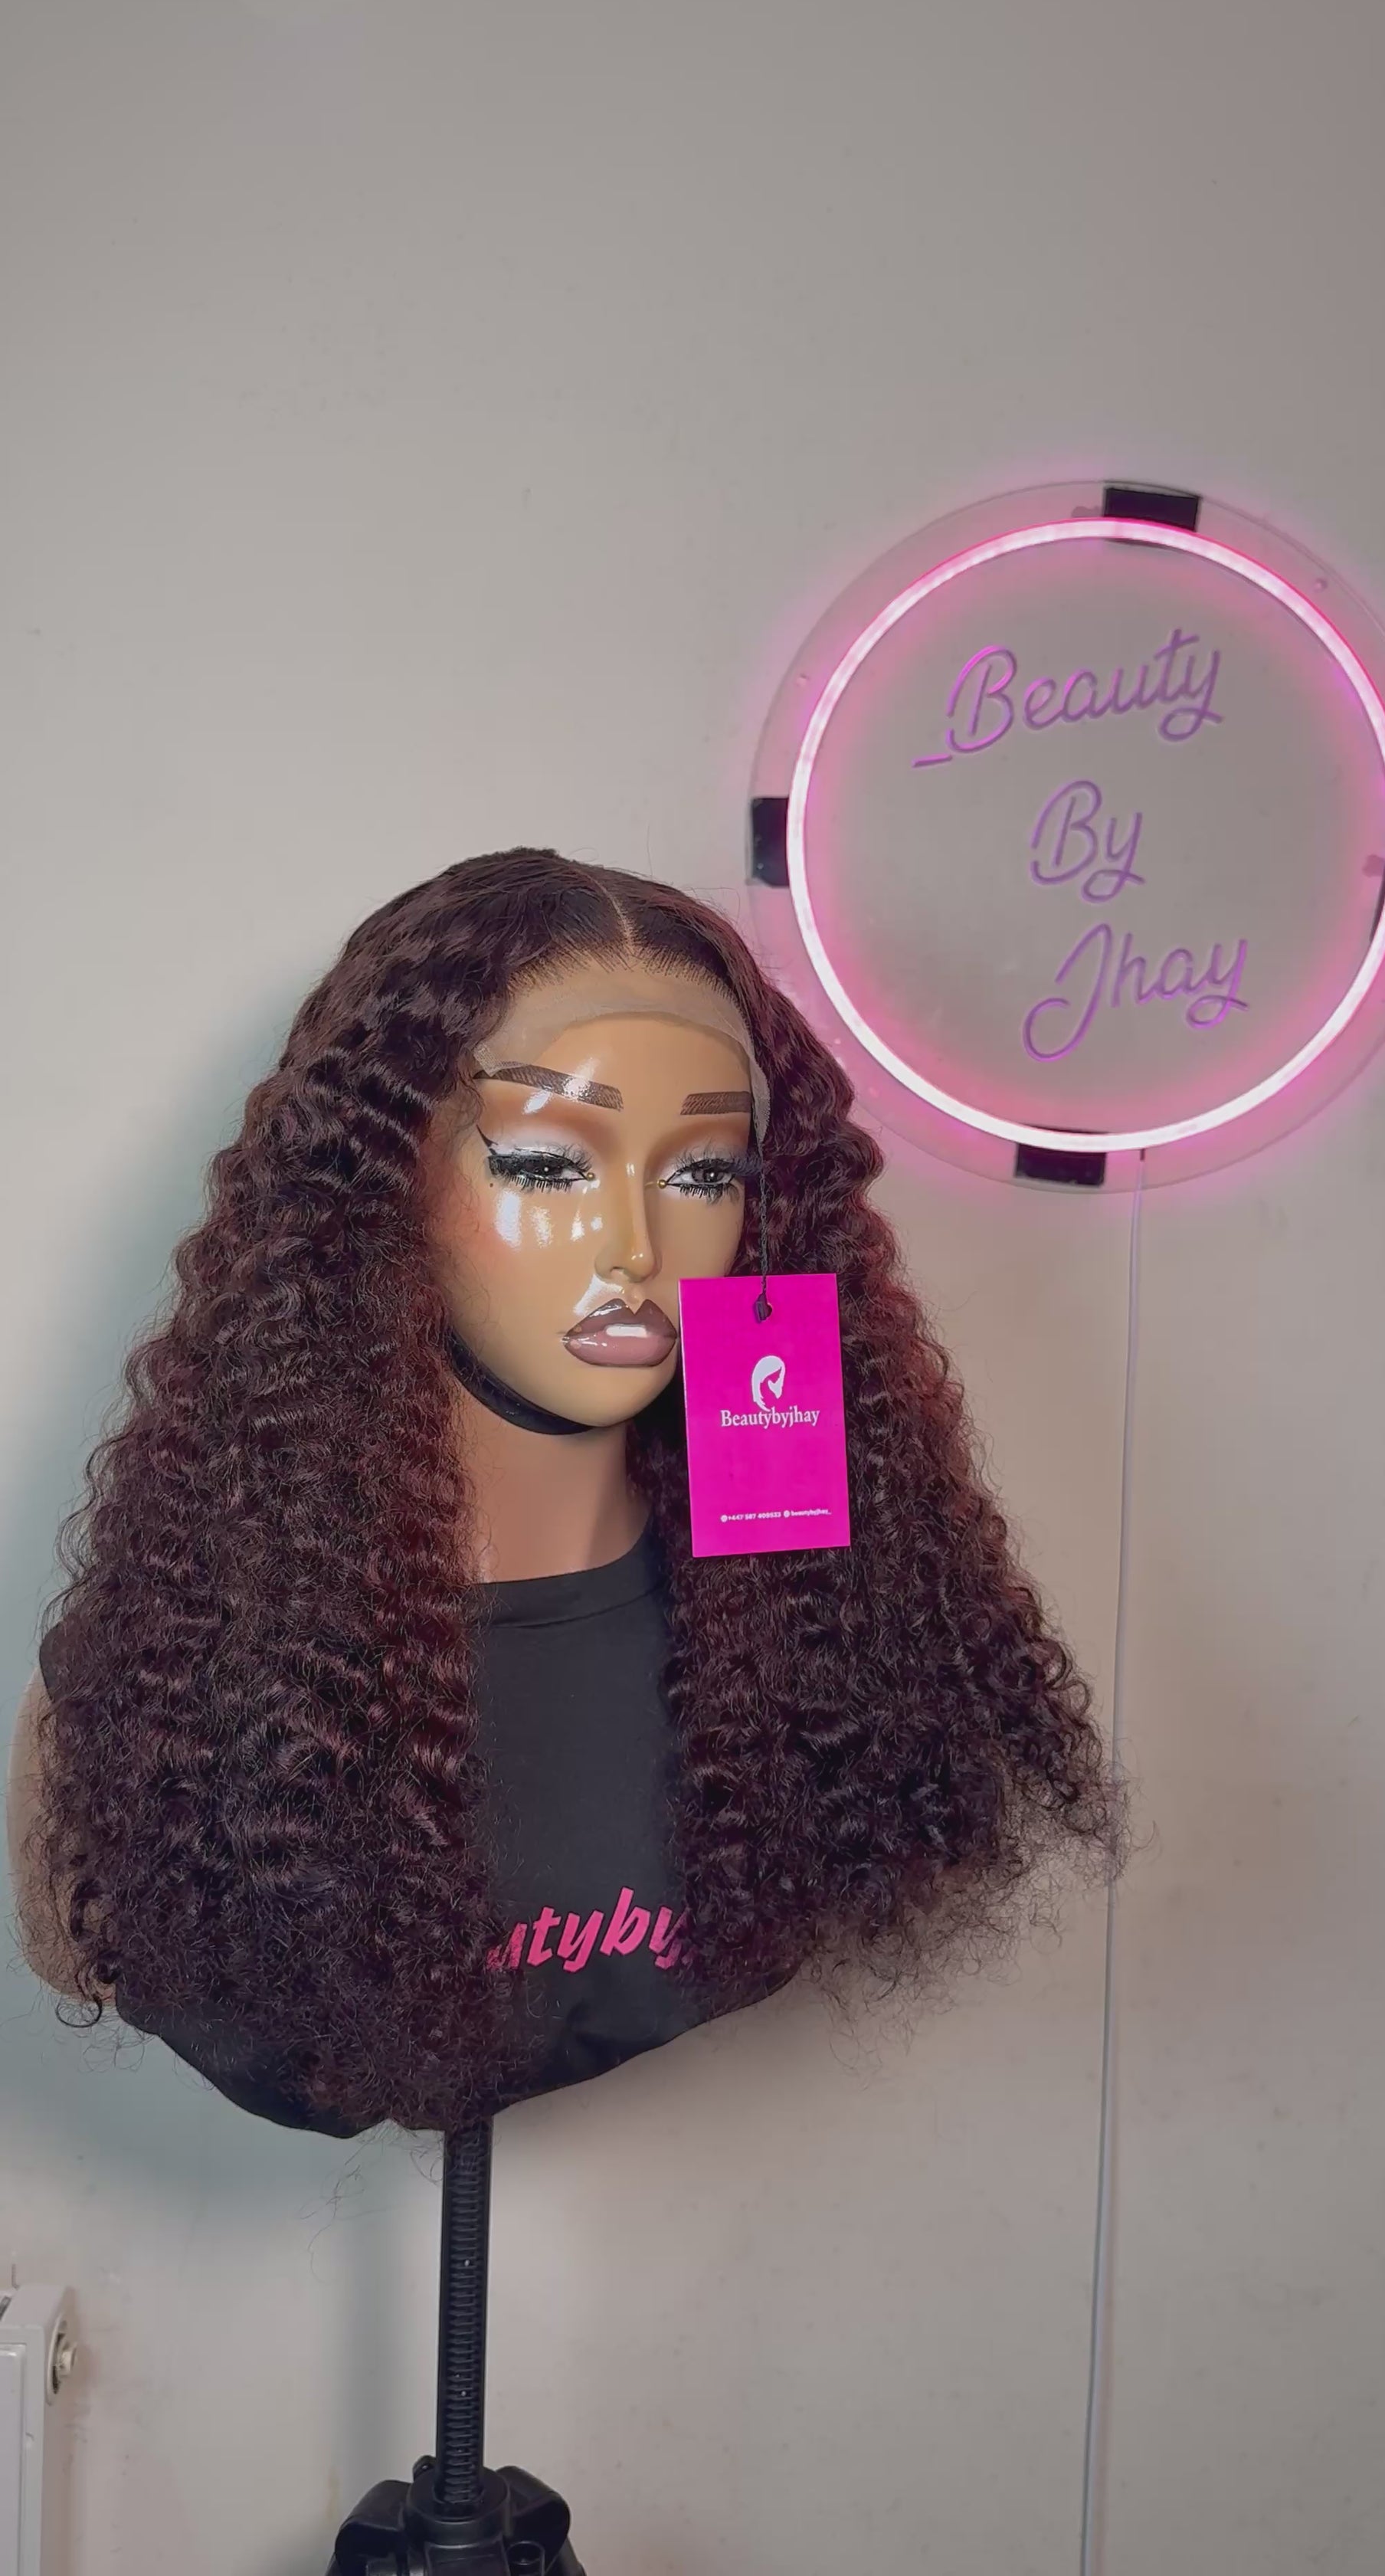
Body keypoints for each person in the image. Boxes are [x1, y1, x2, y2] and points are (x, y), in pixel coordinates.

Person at [7, 846, 1127, 2138]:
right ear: (383, 1190)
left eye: (704, 1171)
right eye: (548, 1165)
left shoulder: (835, 1641)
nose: (634, 1248)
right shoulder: (157, 1698)